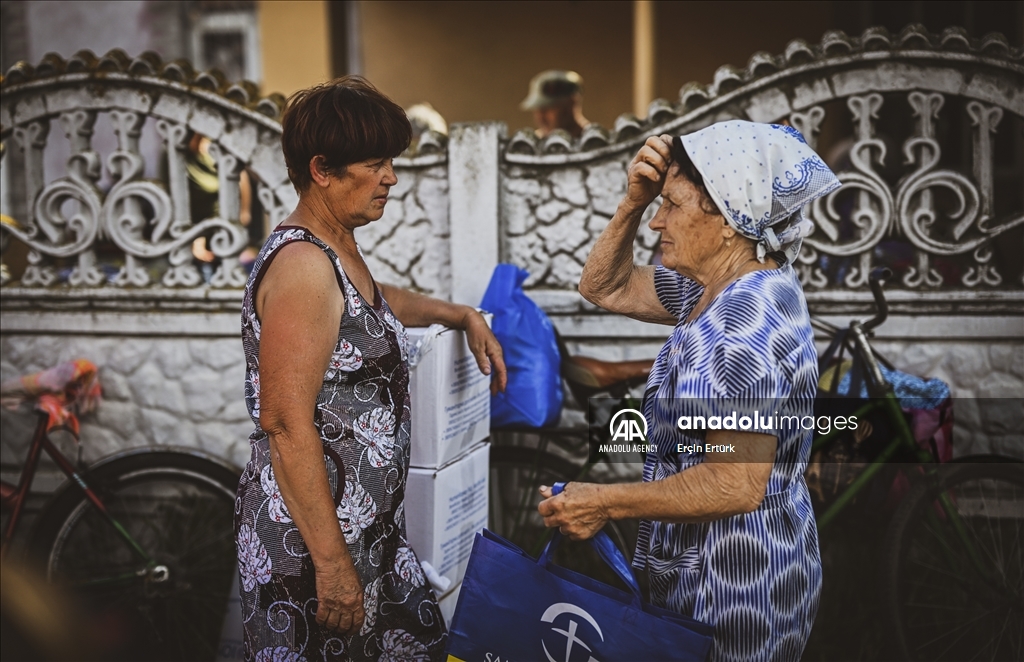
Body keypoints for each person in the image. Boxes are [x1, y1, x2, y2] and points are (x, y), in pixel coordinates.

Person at [538, 121, 840, 661]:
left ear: (728, 220)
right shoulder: (716, 288)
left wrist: (603, 501)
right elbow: (603, 285)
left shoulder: (746, 322)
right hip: (702, 577)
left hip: (737, 592)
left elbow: (734, 483)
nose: (658, 220)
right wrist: (632, 201)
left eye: (672, 205)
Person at [234, 76, 506, 662]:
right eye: (377, 163)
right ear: (323, 169)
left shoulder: (334, 250)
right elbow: (284, 423)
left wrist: (458, 313)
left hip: (368, 533)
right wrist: (332, 566)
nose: (391, 178)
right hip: (314, 544)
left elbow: (376, 303)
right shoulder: (304, 267)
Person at [520, 69, 591, 139]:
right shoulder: (536, 143)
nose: (540, 118)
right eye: (537, 109)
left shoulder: (594, 141)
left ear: (571, 103)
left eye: (546, 109)